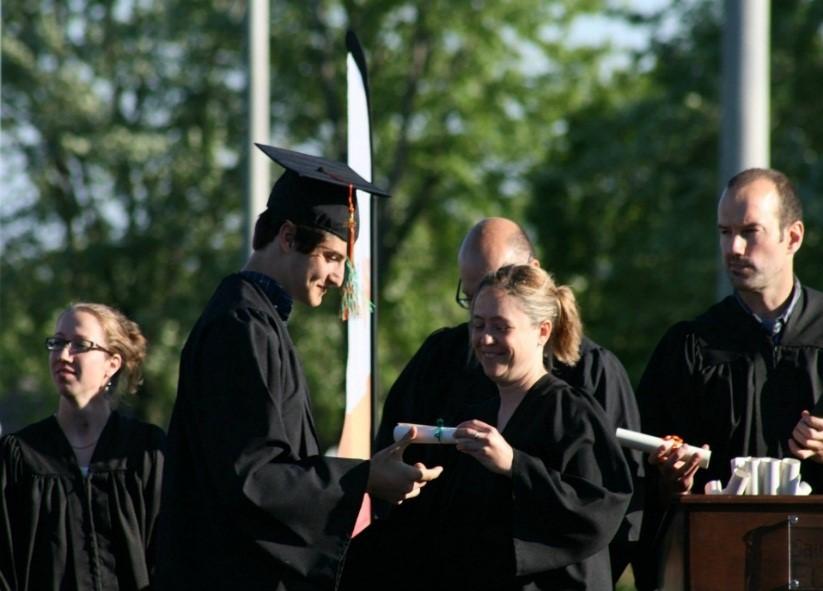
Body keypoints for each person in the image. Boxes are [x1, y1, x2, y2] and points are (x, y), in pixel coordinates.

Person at [155, 145, 442, 591]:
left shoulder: (257, 320)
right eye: (331, 257)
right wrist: (362, 477)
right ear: (287, 236)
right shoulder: (242, 328)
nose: (337, 278)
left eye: (343, 264)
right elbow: (253, 479)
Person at [375, 217, 644, 583]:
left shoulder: (575, 415)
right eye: (477, 323)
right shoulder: (478, 412)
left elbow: (599, 509)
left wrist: (515, 465)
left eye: (500, 327)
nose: (485, 340)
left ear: (541, 331)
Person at [635, 168, 823, 589]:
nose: (733, 248)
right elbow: (645, 487)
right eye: (724, 232)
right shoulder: (691, 347)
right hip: (721, 565)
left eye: (749, 231)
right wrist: (671, 477)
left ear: (792, 237)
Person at [0, 302, 164, 591]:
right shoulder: (20, 455)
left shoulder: (146, 451)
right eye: (58, 343)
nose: (63, 354)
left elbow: (172, 553)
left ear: (112, 364)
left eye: (80, 345)